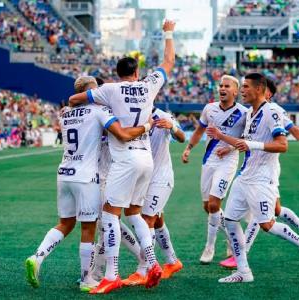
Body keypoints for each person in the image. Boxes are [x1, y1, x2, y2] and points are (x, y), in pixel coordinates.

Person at [68, 20, 176, 294]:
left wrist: (81, 105)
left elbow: (76, 99)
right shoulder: (149, 84)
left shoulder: (110, 90)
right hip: (146, 159)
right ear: (137, 72)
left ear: (116, 73)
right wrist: (168, 32)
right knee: (135, 213)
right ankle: (152, 263)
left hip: (125, 158)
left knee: (109, 215)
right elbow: (169, 60)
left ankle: (112, 274)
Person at [25, 76, 153, 292]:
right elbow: (121, 134)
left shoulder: (66, 114)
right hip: (86, 177)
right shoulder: (99, 112)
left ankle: (37, 257)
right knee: (89, 228)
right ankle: (87, 279)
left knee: (65, 224)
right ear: (90, 92)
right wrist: (146, 125)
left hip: (64, 173)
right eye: (97, 91)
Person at [207, 73, 299, 283]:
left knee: (267, 224)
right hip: (244, 177)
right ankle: (244, 272)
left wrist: (253, 145)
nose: (242, 91)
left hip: (262, 179)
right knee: (230, 221)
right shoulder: (251, 113)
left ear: (259, 89)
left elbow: (282, 144)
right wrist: (227, 142)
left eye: (246, 87)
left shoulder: (272, 111)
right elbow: (248, 141)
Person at [181, 75, 247, 264]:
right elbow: (199, 131)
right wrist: (188, 148)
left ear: (235, 91)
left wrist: (230, 147)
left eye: (227, 86)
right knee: (208, 207)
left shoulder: (243, 112)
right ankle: (230, 234)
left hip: (228, 161)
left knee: (213, 204)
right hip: (209, 160)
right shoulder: (209, 109)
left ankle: (209, 247)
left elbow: (245, 138)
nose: (222, 89)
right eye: (220, 86)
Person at [122, 107, 185, 286]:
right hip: (142, 178)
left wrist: (172, 126)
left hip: (160, 178)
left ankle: (143, 270)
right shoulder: (131, 114)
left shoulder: (163, 115)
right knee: (157, 220)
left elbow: (181, 137)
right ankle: (172, 261)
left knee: (147, 218)